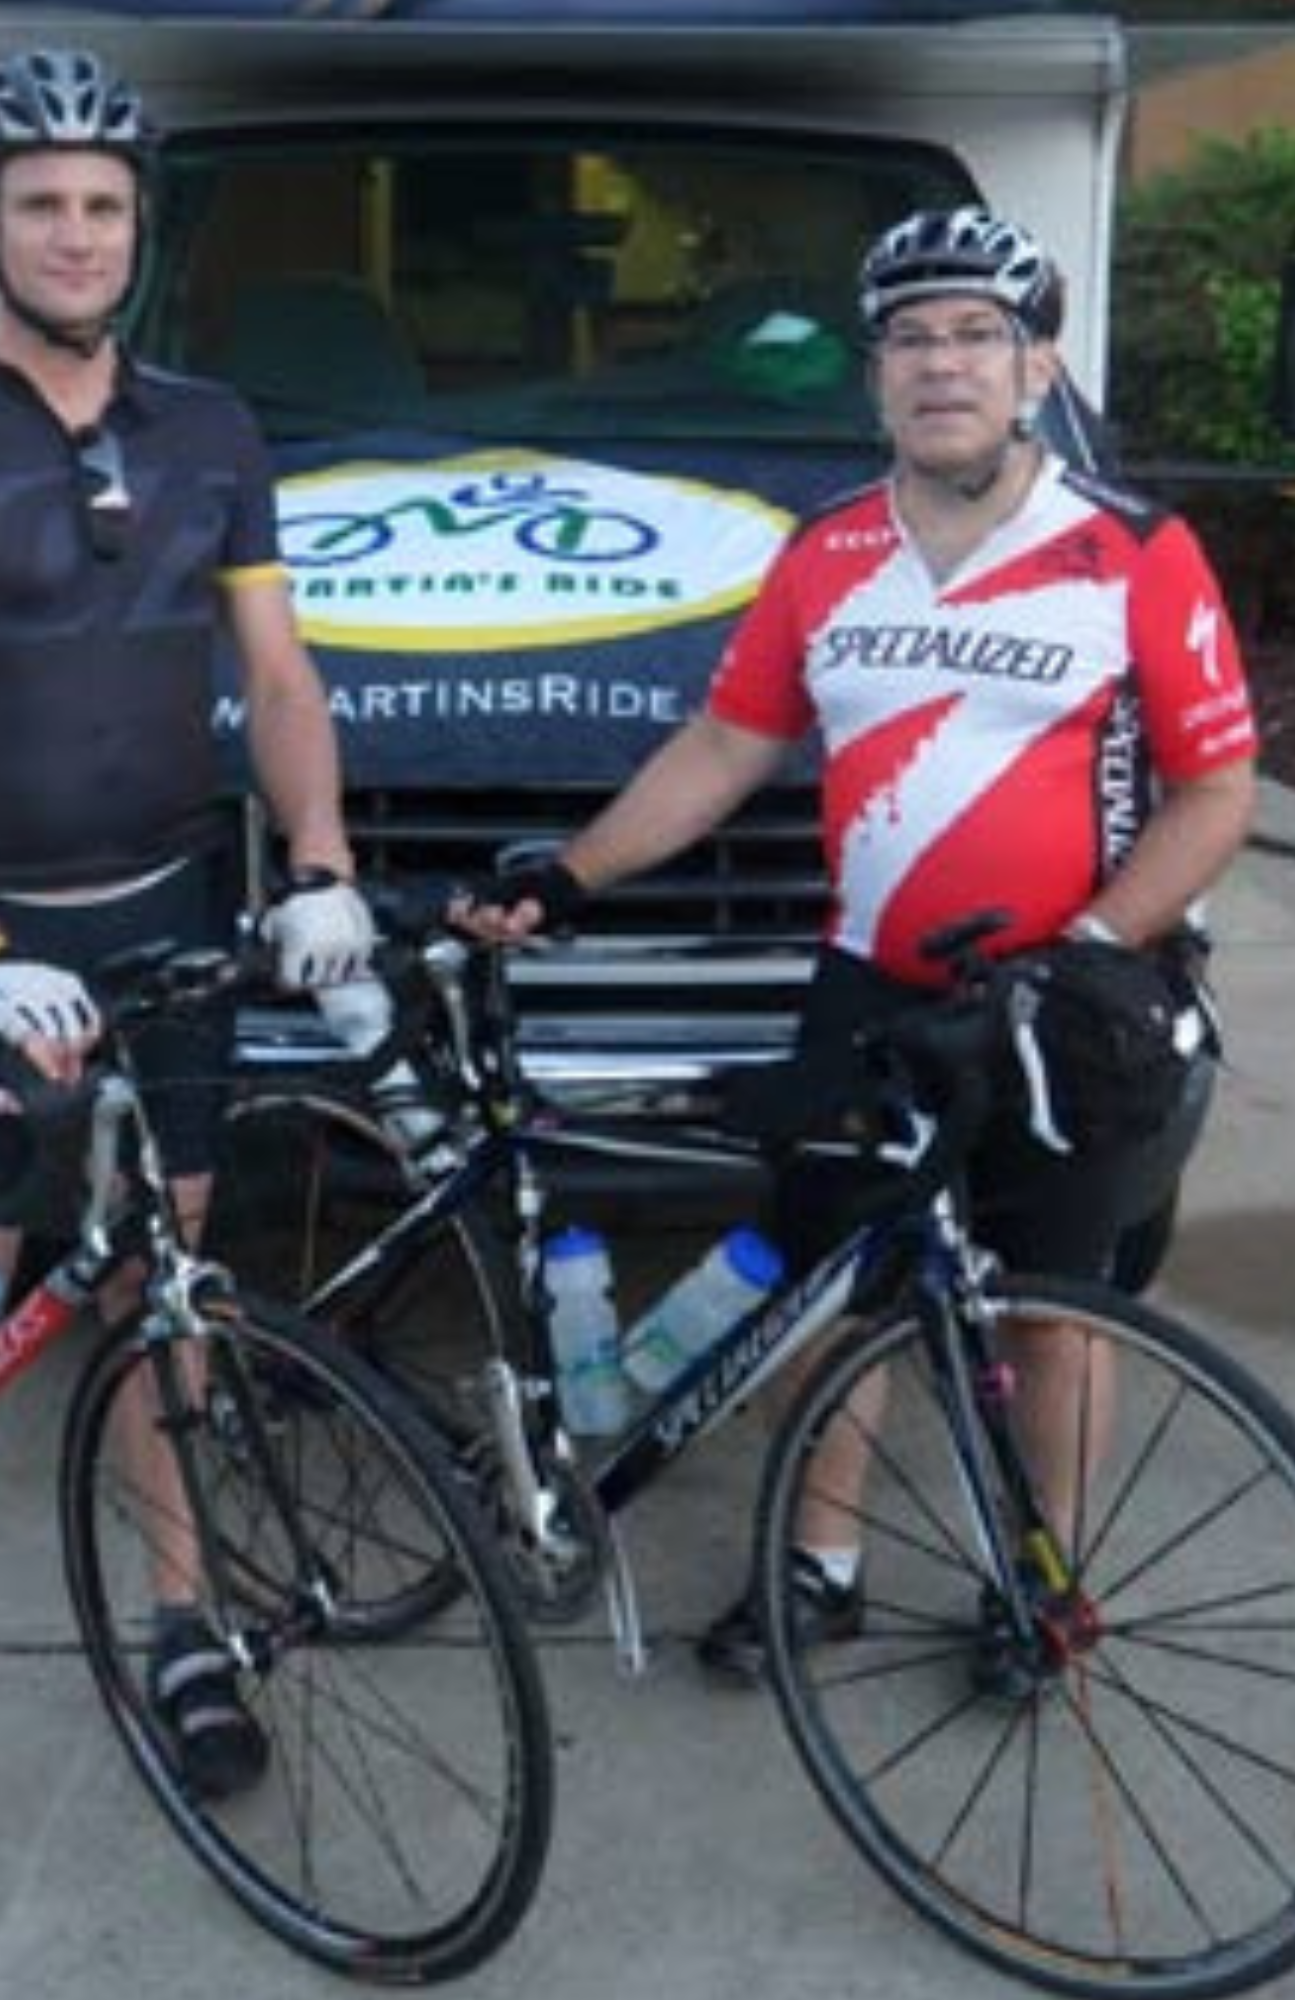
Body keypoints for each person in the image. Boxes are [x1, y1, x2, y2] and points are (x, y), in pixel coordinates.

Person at [462, 206, 1259, 1685]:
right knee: (824, 1284)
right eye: (911, 339)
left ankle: (1044, 1584)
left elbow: (1217, 792)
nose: (942, 364)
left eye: (976, 336)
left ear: (1035, 368)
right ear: (876, 374)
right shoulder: (826, 556)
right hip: (871, 985)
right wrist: (570, 877)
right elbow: (723, 744)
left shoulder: (1134, 552)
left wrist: (1089, 944)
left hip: (1068, 999)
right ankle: (819, 1566)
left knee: (1058, 1307)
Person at [0, 47, 373, 1864]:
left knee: (168, 1299)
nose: (71, 233)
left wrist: (326, 867)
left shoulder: (210, 431)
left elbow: (278, 679)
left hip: (173, 929)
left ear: (141, 230)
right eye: (36, 202)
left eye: (102, 205)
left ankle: (184, 1626)